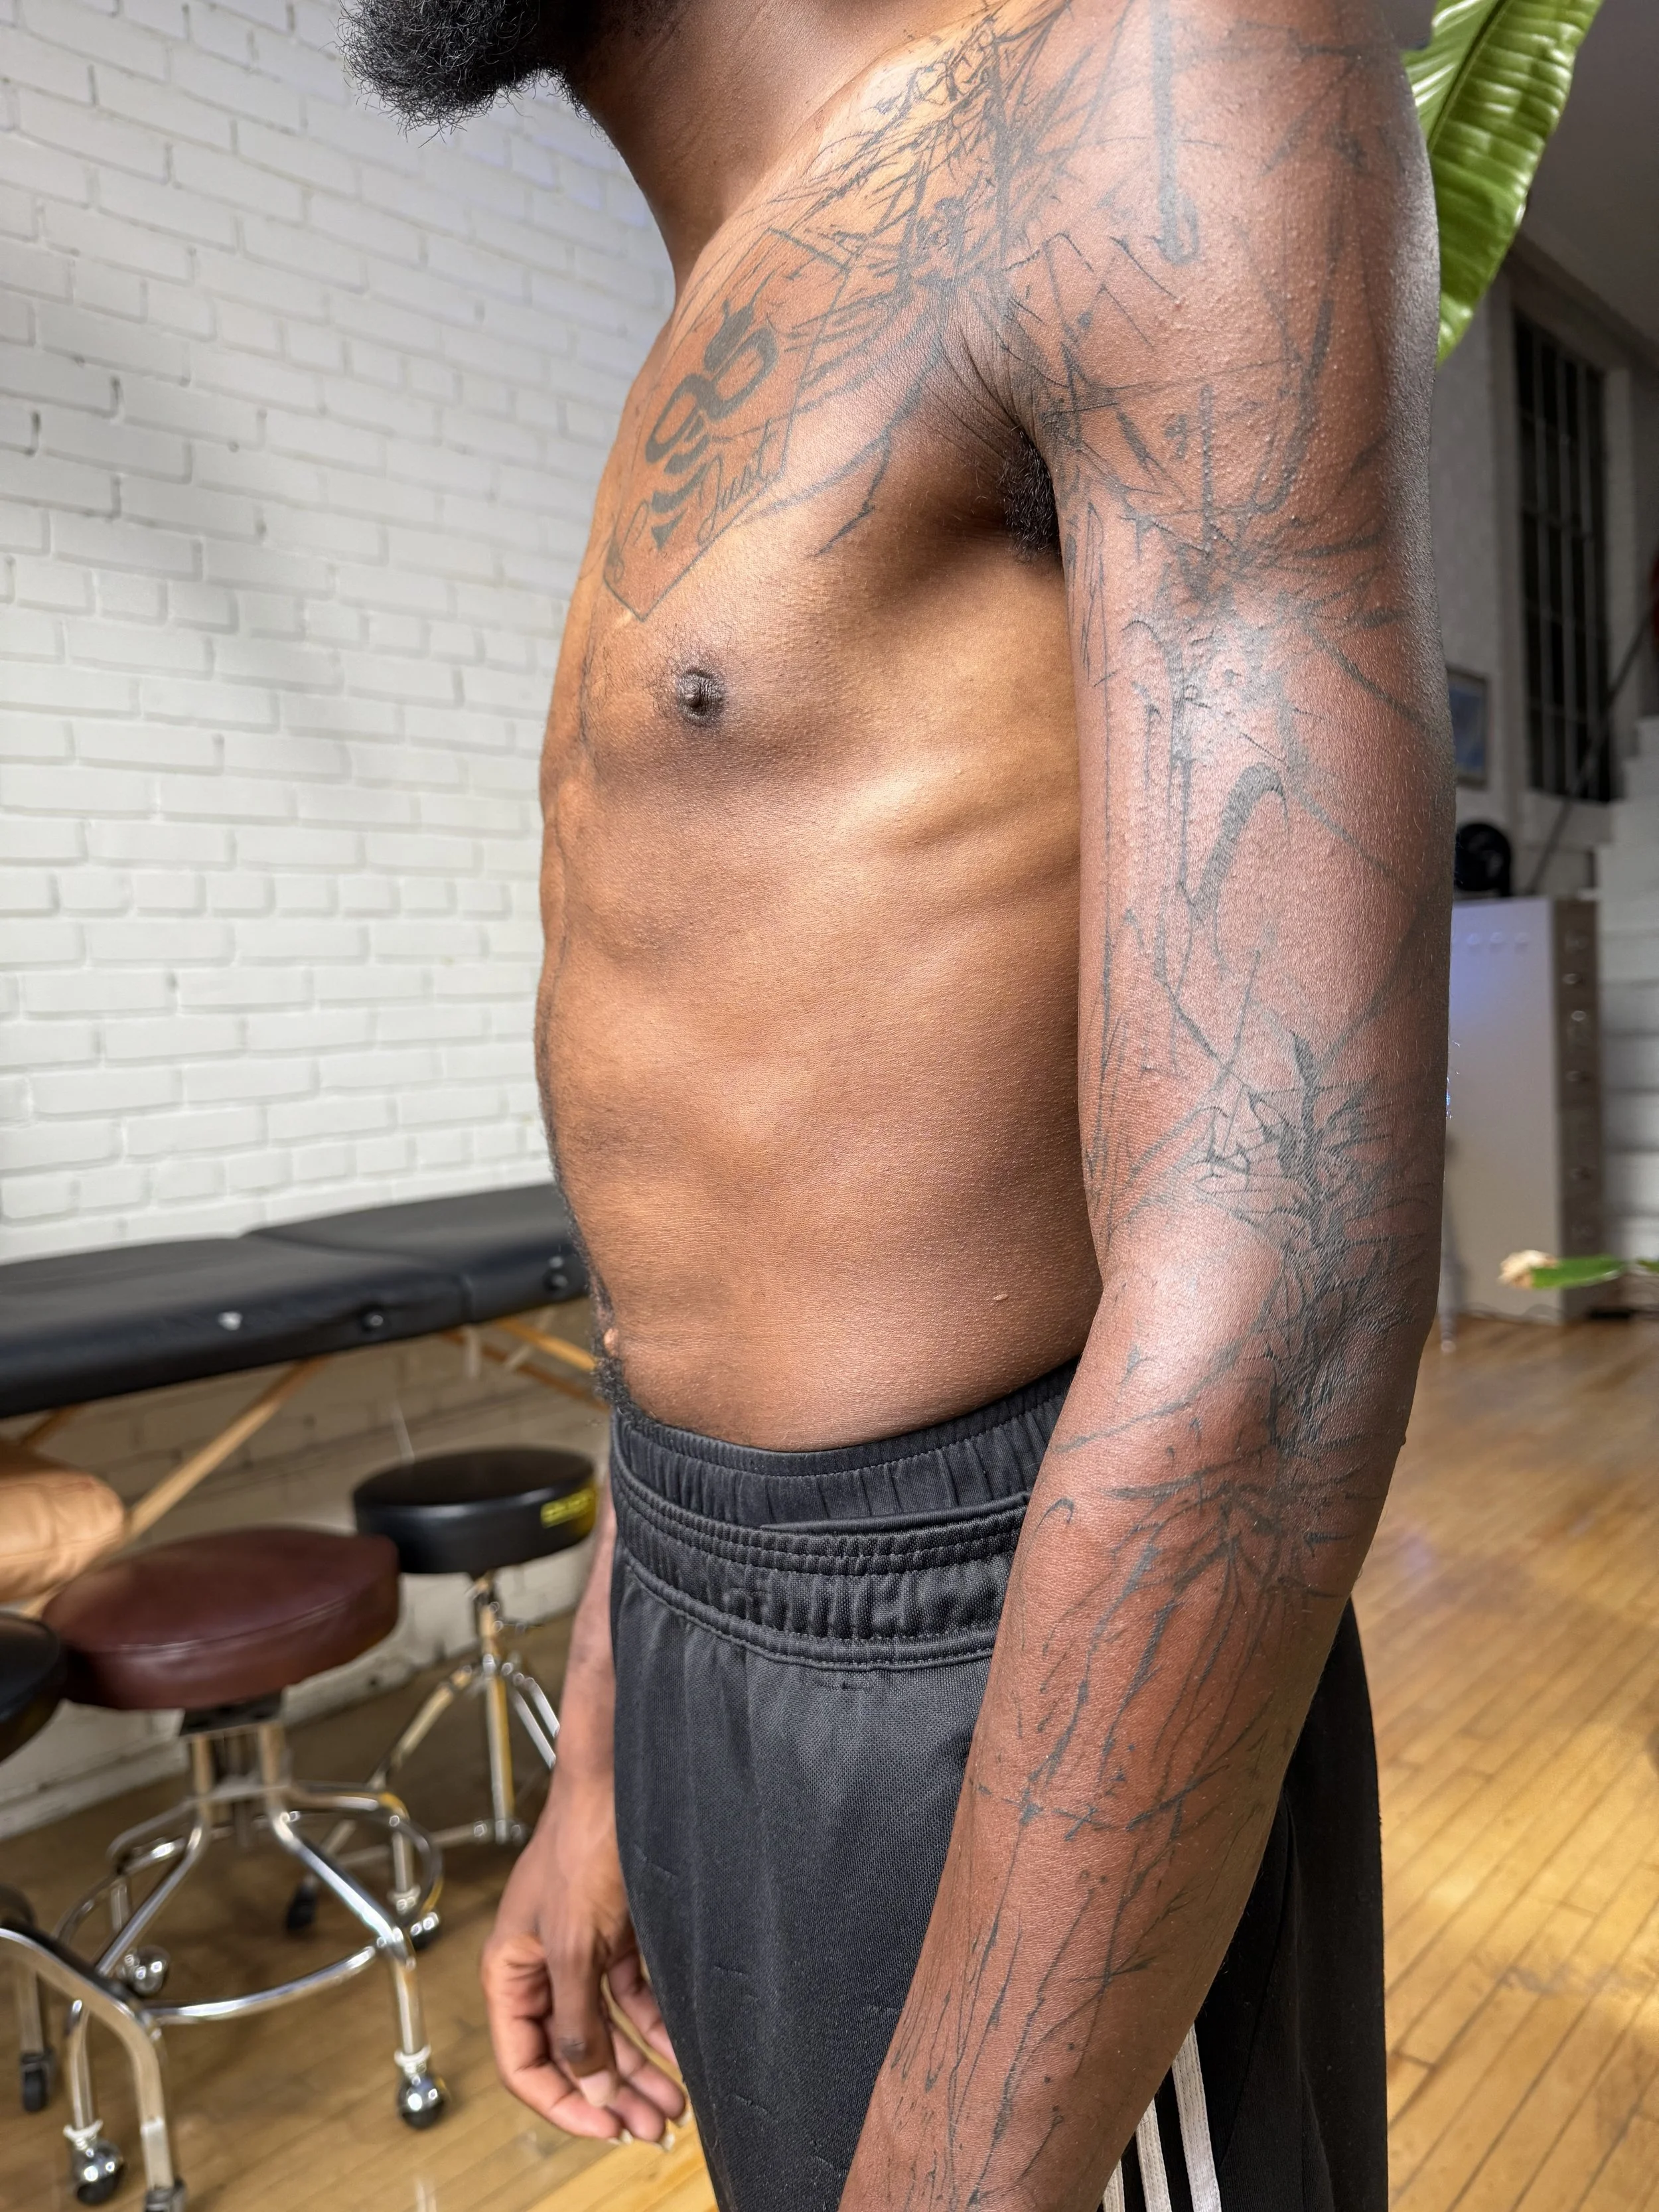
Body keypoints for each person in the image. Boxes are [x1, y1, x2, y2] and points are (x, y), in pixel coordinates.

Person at [348, 0, 1451, 2203]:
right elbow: (724, 1170)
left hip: (1020, 1659)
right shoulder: (728, 284)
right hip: (699, 1630)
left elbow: (1284, 1264)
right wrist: (607, 1758)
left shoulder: (1148, 74)